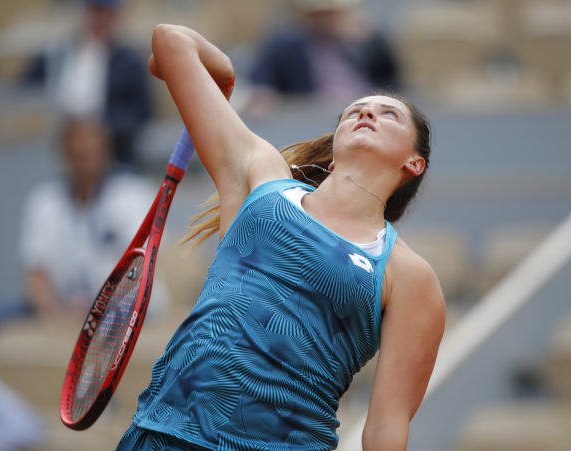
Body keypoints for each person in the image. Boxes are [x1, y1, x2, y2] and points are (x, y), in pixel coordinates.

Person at [118, 24, 445, 450]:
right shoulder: (261, 178)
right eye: (356, 109)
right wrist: (223, 69)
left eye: (389, 114)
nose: (367, 113)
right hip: (162, 434)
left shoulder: (409, 275)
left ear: (413, 163)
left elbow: (386, 427)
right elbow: (169, 40)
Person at [19, 117, 166, 320]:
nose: (84, 163)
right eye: (77, 155)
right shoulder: (45, 201)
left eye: (90, 154)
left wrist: (94, 309)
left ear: (106, 153)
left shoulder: (133, 195)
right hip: (64, 309)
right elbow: (36, 273)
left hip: (123, 310)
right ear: (65, 156)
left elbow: (139, 269)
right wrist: (52, 309)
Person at [21, 0, 152, 166]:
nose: (101, 19)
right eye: (96, 11)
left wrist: (100, 128)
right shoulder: (55, 54)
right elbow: (23, 93)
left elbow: (142, 112)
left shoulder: (130, 62)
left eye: (107, 13)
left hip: (111, 154)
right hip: (54, 150)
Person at [247, 0, 398, 114]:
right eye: (325, 14)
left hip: (363, 111)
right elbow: (262, 82)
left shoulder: (368, 42)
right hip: (312, 115)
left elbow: (391, 80)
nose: (330, 20)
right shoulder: (287, 46)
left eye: (335, 14)